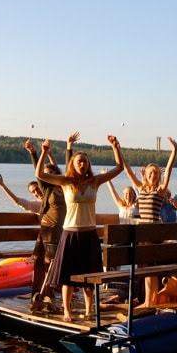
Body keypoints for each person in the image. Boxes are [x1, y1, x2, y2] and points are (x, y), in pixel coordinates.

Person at [35, 134, 124, 322]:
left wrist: (116, 147)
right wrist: (43, 153)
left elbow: (119, 168)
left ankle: (89, 310)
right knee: (68, 277)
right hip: (70, 234)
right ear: (73, 165)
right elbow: (40, 175)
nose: (82, 164)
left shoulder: (95, 181)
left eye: (85, 161)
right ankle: (67, 311)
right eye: (79, 161)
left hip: (89, 234)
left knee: (89, 278)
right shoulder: (66, 182)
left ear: (88, 165)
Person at [120, 137, 177, 306]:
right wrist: (118, 149)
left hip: (153, 232)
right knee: (145, 268)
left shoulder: (160, 190)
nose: (153, 176)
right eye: (150, 173)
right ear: (145, 174)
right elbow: (128, 170)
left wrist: (174, 151)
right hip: (142, 232)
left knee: (150, 268)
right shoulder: (140, 188)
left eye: (156, 174)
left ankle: (149, 300)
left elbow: (169, 169)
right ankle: (149, 300)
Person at [24, 139, 67, 313]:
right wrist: (34, 153)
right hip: (47, 229)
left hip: (59, 230)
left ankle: (49, 294)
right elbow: (38, 172)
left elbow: (61, 171)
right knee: (41, 263)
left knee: (51, 263)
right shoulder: (46, 188)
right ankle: (40, 295)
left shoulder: (64, 187)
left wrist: (50, 152)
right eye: (45, 174)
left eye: (50, 173)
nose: (47, 176)